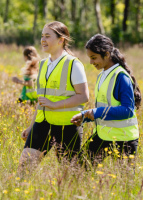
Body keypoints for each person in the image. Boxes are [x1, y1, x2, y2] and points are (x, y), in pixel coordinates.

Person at [18, 21, 89, 174]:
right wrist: (31, 126)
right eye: (42, 36)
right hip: (42, 123)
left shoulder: (73, 64)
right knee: (24, 169)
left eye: (48, 36)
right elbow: (41, 101)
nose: (43, 40)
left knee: (69, 176)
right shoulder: (43, 65)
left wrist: (55, 105)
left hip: (67, 125)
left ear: (61, 40)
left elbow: (83, 96)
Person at [71, 34, 141, 166]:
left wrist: (96, 112)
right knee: (77, 170)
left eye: (94, 58)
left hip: (124, 139)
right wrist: (85, 116)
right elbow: (105, 106)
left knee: (124, 184)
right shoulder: (102, 75)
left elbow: (128, 110)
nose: (91, 62)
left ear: (107, 54)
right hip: (103, 135)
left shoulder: (121, 77)